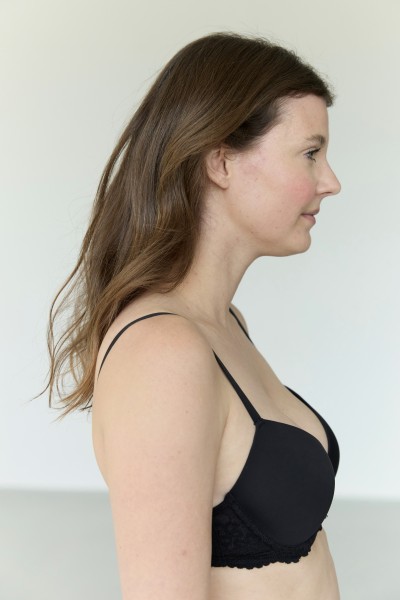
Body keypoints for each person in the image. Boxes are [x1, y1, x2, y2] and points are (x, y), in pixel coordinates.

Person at [45, 32, 341, 599]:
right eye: (310, 153)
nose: (330, 182)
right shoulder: (163, 351)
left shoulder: (225, 324)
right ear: (221, 162)